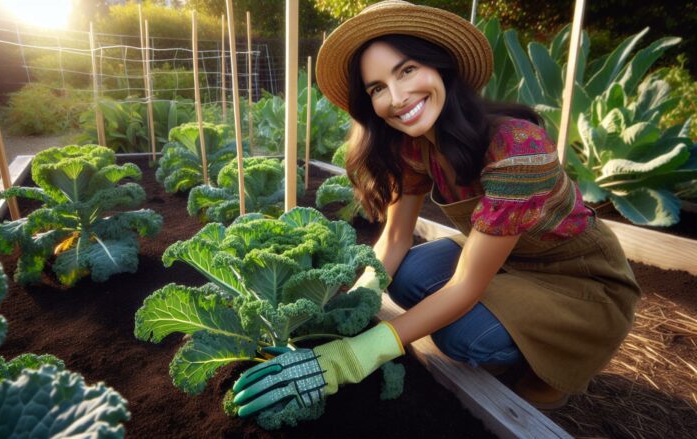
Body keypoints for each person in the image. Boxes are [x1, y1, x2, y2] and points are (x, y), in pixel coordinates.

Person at [232, 0, 641, 416]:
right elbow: (394, 237)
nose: (396, 97)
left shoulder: (518, 148)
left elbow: (465, 285)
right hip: (506, 259)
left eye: (407, 70)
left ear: (441, 66)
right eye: (376, 88)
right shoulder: (413, 146)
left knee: (460, 335)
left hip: (579, 279)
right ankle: (510, 329)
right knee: (404, 274)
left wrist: (348, 359)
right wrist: (344, 313)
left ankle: (549, 370)